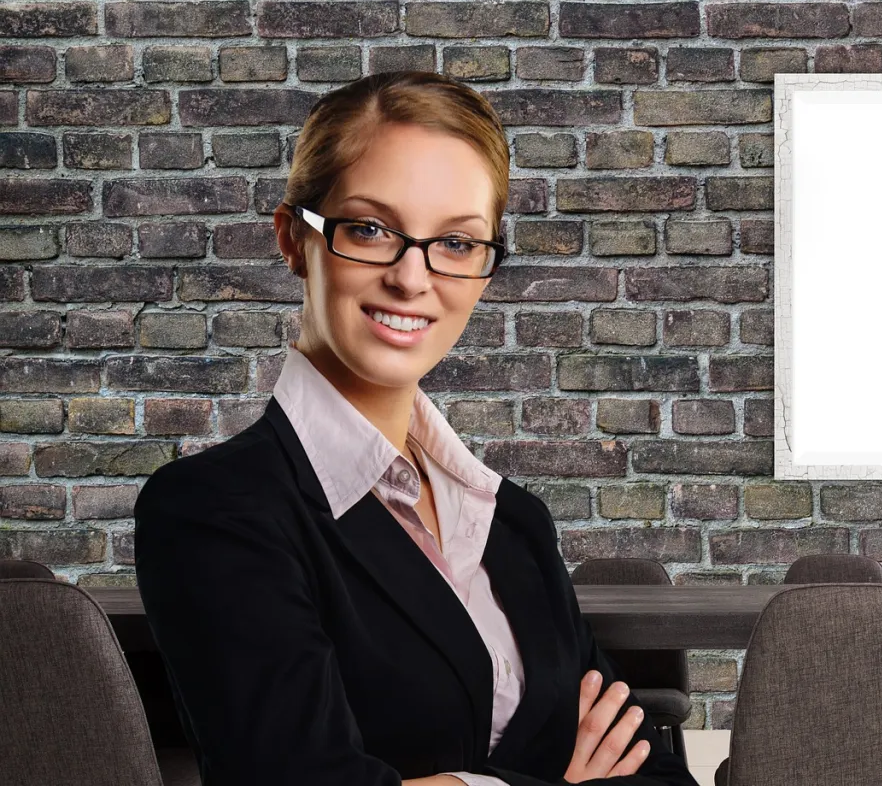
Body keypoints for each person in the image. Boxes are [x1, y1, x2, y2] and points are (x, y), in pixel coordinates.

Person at [133, 71, 698, 786]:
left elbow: (658, 777)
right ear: (292, 239)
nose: (412, 277)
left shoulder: (514, 523)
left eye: (457, 244)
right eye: (369, 229)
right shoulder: (214, 510)